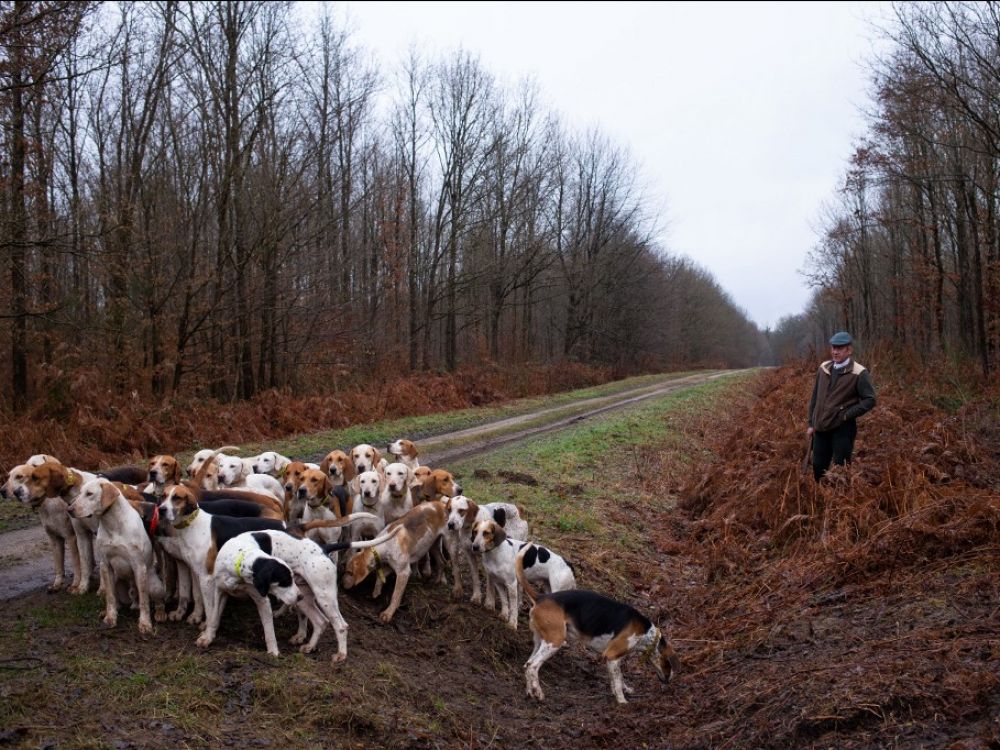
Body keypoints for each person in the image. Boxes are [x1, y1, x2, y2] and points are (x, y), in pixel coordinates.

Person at [807, 331, 876, 481]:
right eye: (833, 348)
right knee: (818, 467)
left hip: (842, 430)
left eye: (839, 348)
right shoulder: (823, 368)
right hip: (820, 428)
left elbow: (870, 399)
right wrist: (811, 423)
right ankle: (822, 499)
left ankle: (840, 501)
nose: (835, 351)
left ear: (849, 350)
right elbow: (815, 397)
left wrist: (846, 415)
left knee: (841, 469)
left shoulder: (859, 372)